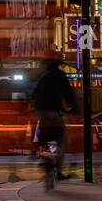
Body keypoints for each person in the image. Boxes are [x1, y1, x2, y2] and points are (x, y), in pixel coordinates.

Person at [31, 57, 76, 187]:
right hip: (54, 112)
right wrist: (73, 109)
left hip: (41, 113)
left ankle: (45, 158)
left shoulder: (43, 77)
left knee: (44, 137)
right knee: (61, 140)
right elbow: (68, 93)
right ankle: (58, 171)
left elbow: (34, 94)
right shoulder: (60, 76)